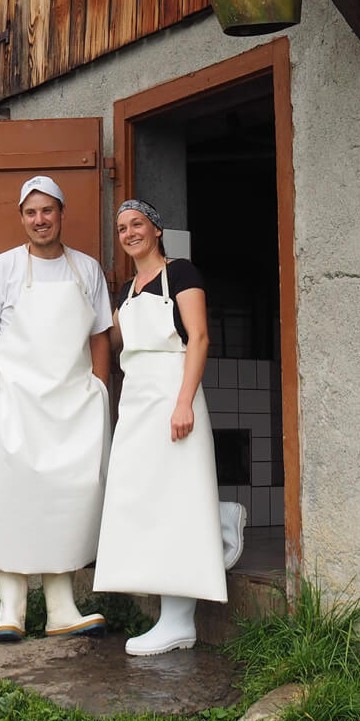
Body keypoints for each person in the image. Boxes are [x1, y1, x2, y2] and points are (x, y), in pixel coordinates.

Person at [0, 175, 112, 642]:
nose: (40, 220)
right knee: (11, 499)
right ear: (21, 218)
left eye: (47, 210)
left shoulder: (87, 270)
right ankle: (11, 609)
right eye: (31, 212)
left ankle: (61, 610)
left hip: (71, 406)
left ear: (61, 213)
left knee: (65, 501)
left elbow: (100, 336)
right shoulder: (1, 269)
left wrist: (100, 391)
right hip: (14, 402)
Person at [93, 198, 229, 655]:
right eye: (121, 227)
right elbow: (110, 343)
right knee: (145, 501)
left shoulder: (183, 273)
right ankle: (171, 614)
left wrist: (184, 402)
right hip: (137, 404)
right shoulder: (127, 292)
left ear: (155, 230)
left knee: (178, 502)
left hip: (174, 396)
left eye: (137, 224)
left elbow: (199, 337)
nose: (129, 232)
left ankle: (178, 621)